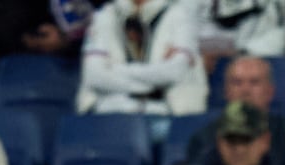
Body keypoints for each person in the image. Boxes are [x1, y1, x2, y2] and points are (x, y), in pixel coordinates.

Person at [75, 0, 206, 116]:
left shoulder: (182, 15)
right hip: (114, 112)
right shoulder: (103, 16)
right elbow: (95, 77)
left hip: (165, 114)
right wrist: (154, 83)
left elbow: (175, 73)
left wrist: (115, 71)